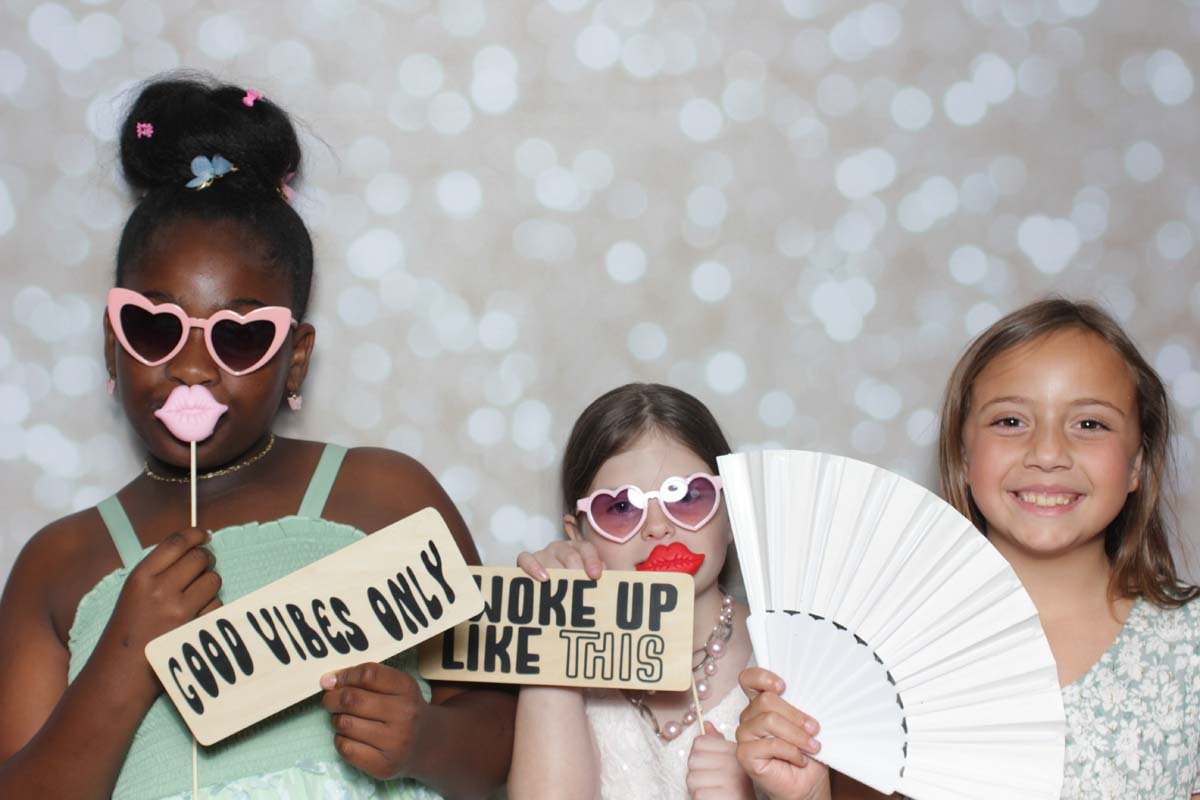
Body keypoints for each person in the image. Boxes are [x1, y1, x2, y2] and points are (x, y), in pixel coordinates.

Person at [0, 74, 514, 799]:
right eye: (155, 328)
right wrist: (123, 659)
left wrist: (426, 739)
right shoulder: (57, 563)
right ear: (113, 344)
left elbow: (508, 737)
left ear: (294, 359)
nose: (191, 367)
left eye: (239, 336)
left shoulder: (387, 496)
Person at [736, 297, 1200, 800]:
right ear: (963, 456)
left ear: (1137, 463)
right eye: (1010, 422)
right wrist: (806, 794)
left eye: (1090, 424)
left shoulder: (1189, 645)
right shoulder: (879, 647)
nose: (1048, 453)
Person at [508, 383, 756, 800]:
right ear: (578, 534)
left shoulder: (789, 654)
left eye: (687, 496)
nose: (658, 527)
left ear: (731, 515)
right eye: (621, 507)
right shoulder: (570, 667)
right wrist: (550, 623)